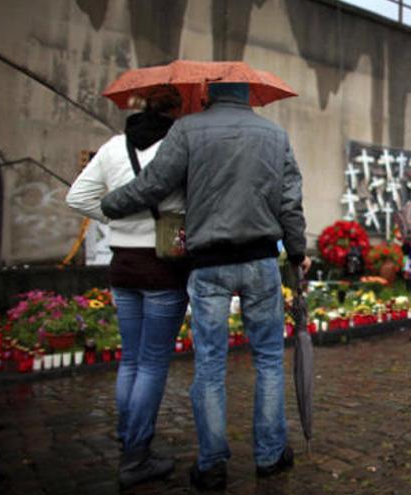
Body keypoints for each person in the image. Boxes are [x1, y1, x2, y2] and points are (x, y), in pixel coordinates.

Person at [101, 82, 309, 490]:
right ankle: (270, 455)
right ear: (249, 96)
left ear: (209, 96)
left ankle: (212, 463)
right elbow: (290, 202)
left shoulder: (188, 129)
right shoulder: (274, 135)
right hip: (261, 260)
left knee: (210, 364)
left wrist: (111, 204)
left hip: (209, 263)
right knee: (268, 360)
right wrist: (298, 252)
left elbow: (154, 184)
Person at [65, 86, 189, 489]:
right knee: (152, 362)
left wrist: (116, 218)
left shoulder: (114, 146)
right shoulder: (178, 145)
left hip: (122, 263)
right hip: (162, 264)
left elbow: (78, 197)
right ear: (176, 109)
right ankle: (136, 456)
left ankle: (127, 434)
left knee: (131, 360)